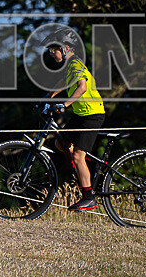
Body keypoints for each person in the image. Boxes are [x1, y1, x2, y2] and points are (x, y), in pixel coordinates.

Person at [43, 27, 105, 211]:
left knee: (77, 155)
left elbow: (82, 87)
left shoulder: (75, 63)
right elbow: (63, 83)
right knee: (61, 144)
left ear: (66, 48)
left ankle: (89, 197)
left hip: (91, 115)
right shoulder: (70, 65)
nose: (52, 53)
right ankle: (87, 168)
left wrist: (66, 104)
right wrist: (47, 98)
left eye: (54, 49)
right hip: (82, 114)